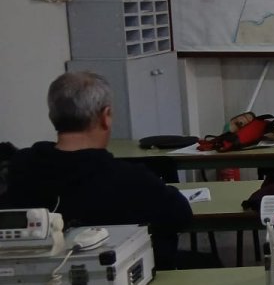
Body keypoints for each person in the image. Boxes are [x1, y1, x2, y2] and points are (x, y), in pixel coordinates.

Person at [2, 71, 194, 269]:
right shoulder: (132, 180)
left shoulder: (18, 169)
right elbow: (180, 216)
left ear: (52, 115)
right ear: (106, 116)